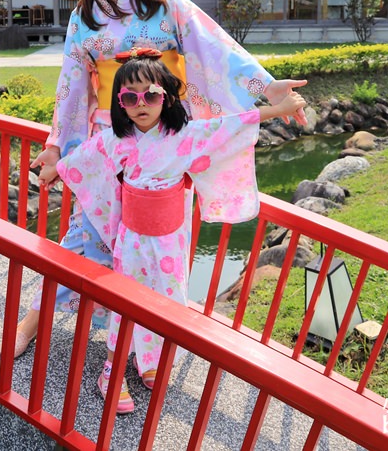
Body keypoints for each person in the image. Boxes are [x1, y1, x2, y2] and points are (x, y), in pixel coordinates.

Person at [9, 0, 307, 358]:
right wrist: (57, 147)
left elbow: (215, 50)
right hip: (109, 141)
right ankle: (35, 316)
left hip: (164, 144)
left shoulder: (165, 1)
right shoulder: (83, 18)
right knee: (85, 236)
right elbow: (71, 89)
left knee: (157, 245)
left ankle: (142, 342)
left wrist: (266, 88)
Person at [44, 49, 307, 413]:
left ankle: (148, 360)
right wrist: (55, 166)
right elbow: (85, 159)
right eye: (129, 97)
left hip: (170, 241)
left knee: (168, 301)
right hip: (133, 241)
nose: (141, 104)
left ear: (165, 96)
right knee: (126, 303)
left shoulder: (185, 135)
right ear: (119, 103)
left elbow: (230, 125)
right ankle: (111, 371)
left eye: (150, 95)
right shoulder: (117, 140)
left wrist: (276, 110)